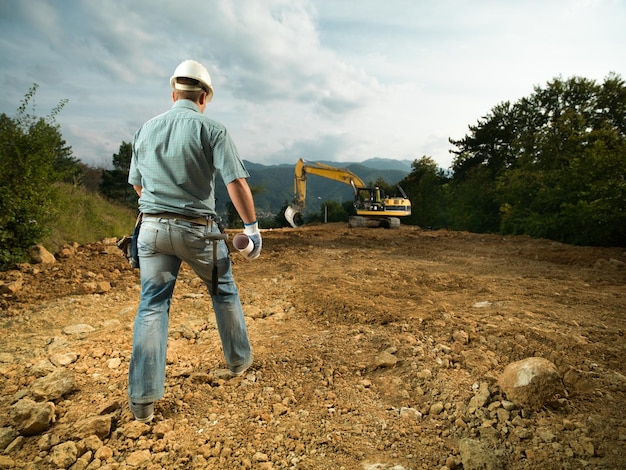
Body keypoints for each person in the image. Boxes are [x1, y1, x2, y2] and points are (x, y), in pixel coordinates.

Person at [126, 59, 261, 423]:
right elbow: (235, 182)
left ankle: (142, 402)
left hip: (151, 232)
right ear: (204, 97)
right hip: (199, 232)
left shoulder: (145, 129)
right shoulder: (212, 129)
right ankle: (237, 362)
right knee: (223, 291)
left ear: (174, 94)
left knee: (152, 306)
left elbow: (138, 184)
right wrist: (252, 229)